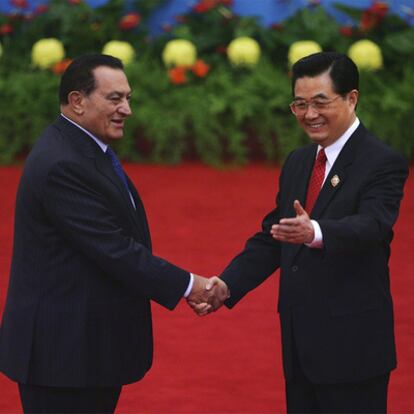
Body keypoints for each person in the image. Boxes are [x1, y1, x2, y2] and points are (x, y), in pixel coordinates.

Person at [0, 54, 228, 414]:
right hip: (61, 355)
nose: (127, 109)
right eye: (115, 99)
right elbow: (114, 249)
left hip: (85, 349)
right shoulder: (63, 163)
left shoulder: (83, 148)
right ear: (77, 101)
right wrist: (190, 285)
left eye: (128, 98)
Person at [193, 52, 409, 412]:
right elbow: (274, 235)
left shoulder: (381, 161)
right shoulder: (300, 161)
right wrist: (228, 285)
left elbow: (373, 225)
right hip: (300, 347)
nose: (310, 115)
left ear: (352, 98)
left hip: (352, 349)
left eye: (320, 102)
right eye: (300, 104)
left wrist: (316, 232)